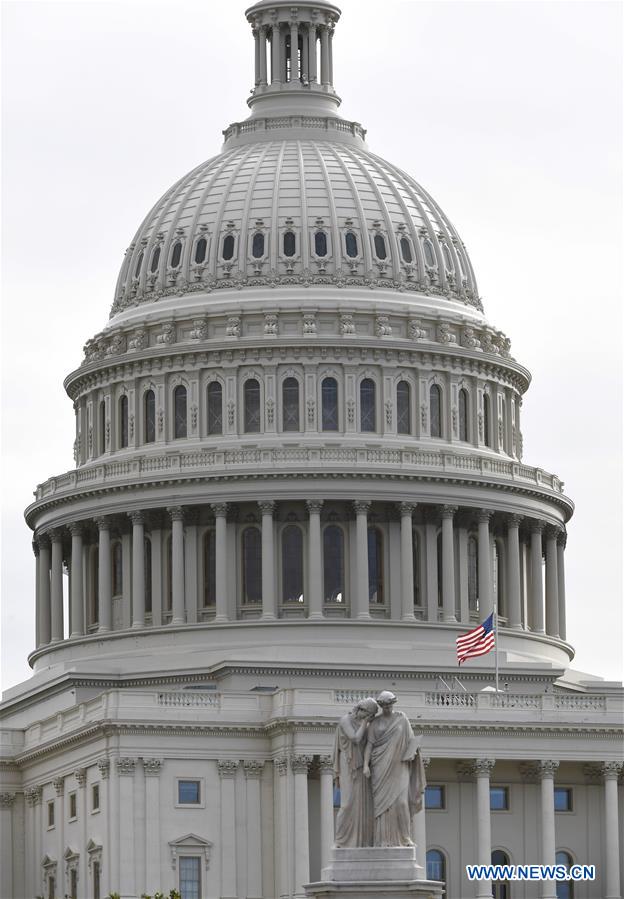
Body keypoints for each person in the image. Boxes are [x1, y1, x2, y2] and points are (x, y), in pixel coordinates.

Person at [363, 690, 425, 847]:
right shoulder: (375, 723)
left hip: (400, 764)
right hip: (380, 765)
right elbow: (369, 745)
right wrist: (365, 765)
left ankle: (405, 838)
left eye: (390, 705)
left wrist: (413, 752)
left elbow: (411, 740)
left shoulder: (402, 719)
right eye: (385, 706)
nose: (388, 708)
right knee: (382, 807)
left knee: (401, 803)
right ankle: (382, 840)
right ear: (381, 706)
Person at [333, 696, 379, 847]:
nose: (368, 718)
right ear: (361, 709)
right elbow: (355, 738)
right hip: (348, 764)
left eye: (370, 716)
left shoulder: (364, 724)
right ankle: (341, 840)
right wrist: (365, 723)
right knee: (347, 804)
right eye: (367, 714)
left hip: (361, 767)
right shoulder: (345, 720)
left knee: (362, 804)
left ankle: (361, 841)